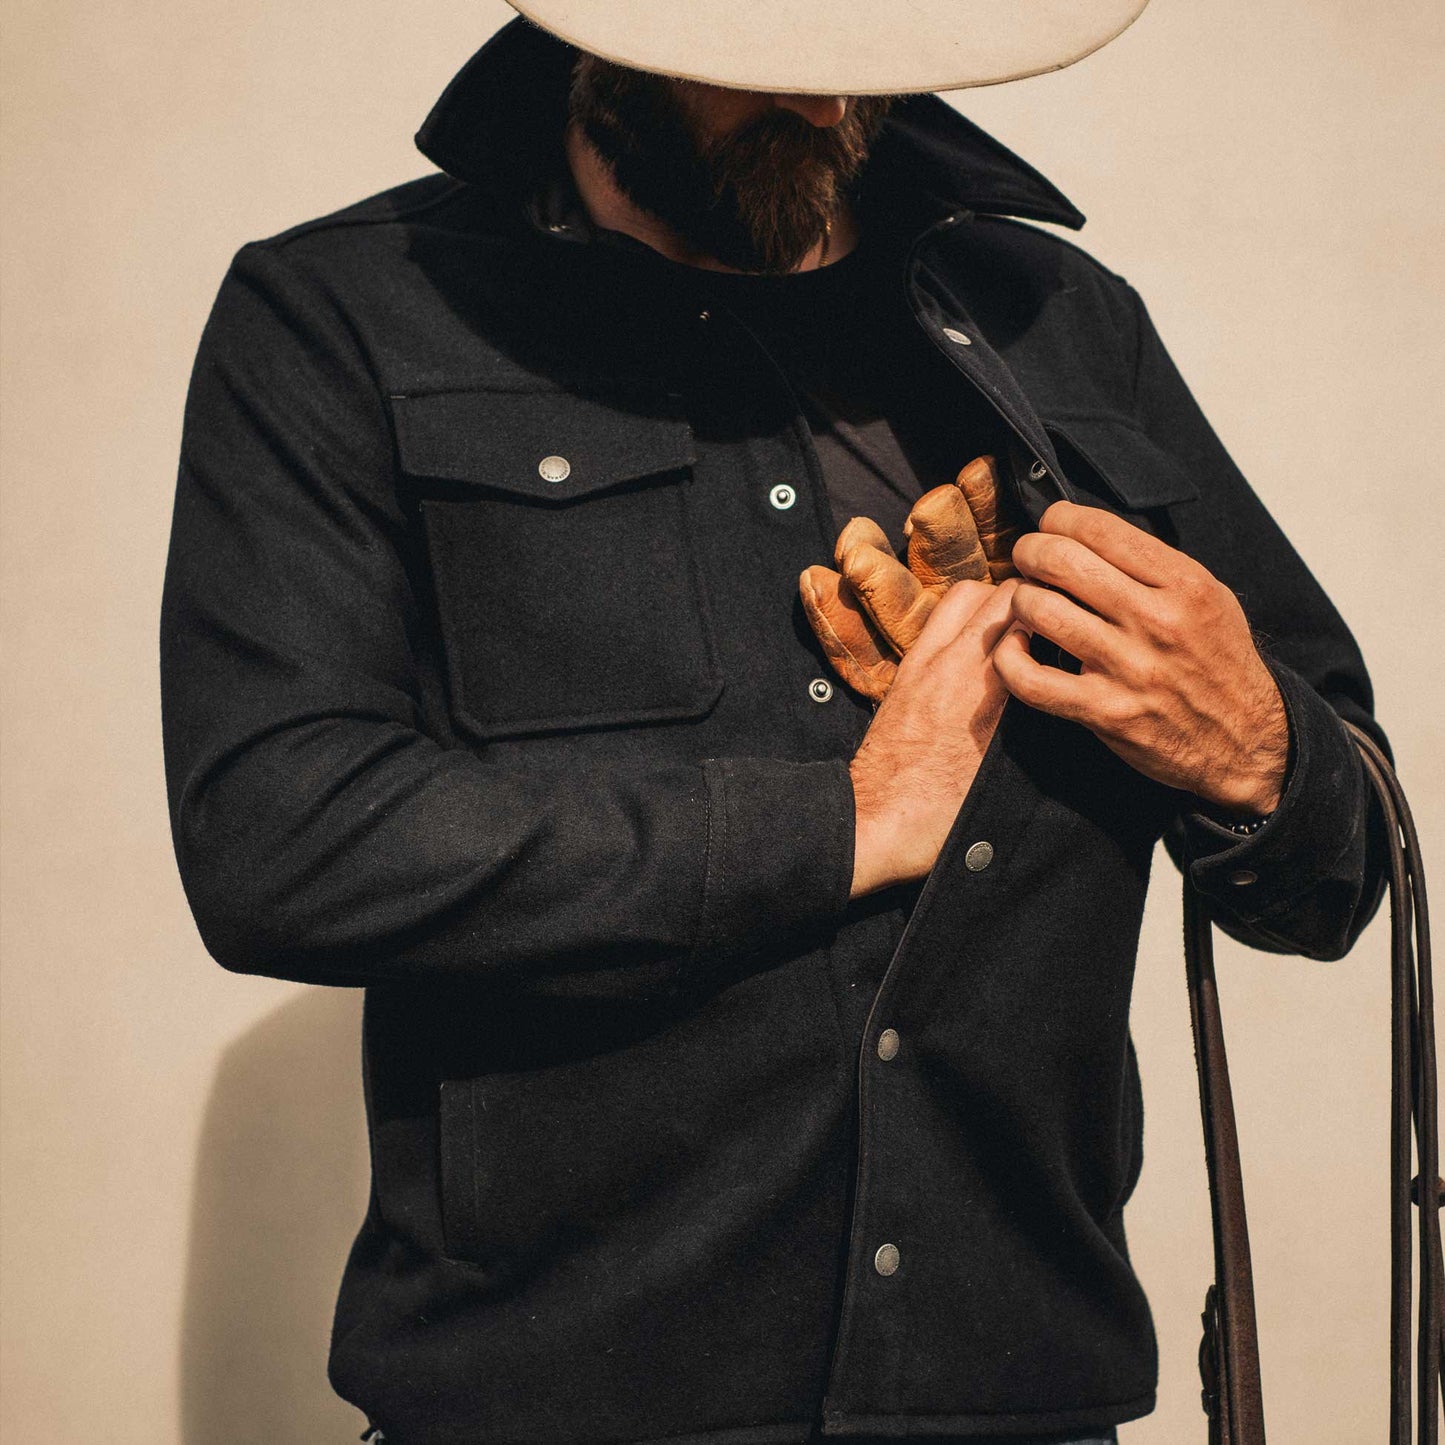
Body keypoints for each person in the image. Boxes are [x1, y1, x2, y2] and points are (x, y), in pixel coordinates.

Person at [159, 6, 1389, 1443]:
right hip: (548, 1405)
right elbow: (277, 840)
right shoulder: (346, 314)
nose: (828, 104)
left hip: (1022, 1399)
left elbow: (1341, 870)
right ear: (598, 43)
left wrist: (1255, 753)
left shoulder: (1059, 323)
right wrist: (846, 820)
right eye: (765, 50)